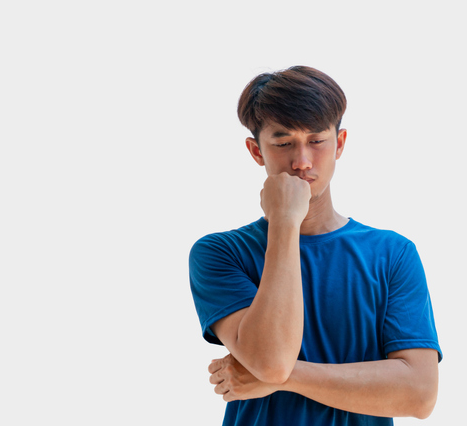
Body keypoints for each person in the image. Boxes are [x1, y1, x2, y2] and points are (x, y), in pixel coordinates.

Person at [189, 66, 442, 425]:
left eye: (316, 140)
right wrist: (285, 223)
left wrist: (280, 379)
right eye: (283, 142)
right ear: (256, 151)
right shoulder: (220, 253)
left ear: (339, 144)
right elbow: (272, 359)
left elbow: (419, 395)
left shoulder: (393, 254)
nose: (302, 162)